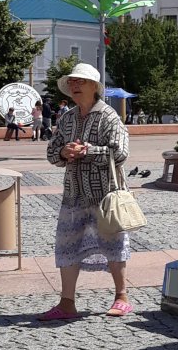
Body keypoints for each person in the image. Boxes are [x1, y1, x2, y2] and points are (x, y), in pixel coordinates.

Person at [40, 63, 134, 321]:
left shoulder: (109, 117)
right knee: (67, 243)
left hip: (106, 195)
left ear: (94, 86)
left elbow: (120, 153)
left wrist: (88, 151)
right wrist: (63, 152)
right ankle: (67, 302)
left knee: (113, 243)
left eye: (80, 81)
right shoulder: (67, 117)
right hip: (74, 194)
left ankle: (122, 296)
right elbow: (52, 151)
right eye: (72, 82)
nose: (74, 86)